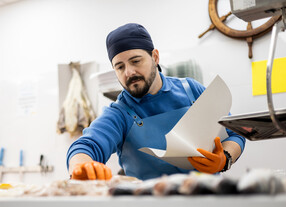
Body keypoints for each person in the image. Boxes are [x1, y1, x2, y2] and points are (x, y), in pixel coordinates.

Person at [66, 23, 245, 181]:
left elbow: (234, 133)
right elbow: (86, 145)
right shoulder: (119, 113)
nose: (128, 72)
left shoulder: (191, 90)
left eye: (135, 61)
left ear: (155, 57)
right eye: (120, 67)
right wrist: (80, 167)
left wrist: (225, 159)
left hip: (206, 202)